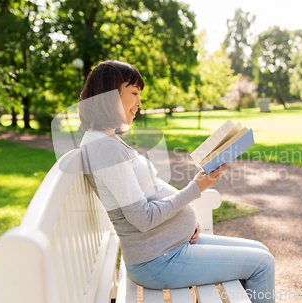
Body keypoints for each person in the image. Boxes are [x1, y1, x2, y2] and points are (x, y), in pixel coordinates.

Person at [78, 60, 275, 303]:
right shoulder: (105, 149)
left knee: (261, 251)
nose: (139, 103)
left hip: (167, 246)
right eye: (134, 93)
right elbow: (143, 217)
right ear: (110, 95)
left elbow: (149, 194)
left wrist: (185, 214)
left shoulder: (106, 141)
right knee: (263, 264)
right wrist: (196, 189)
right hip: (157, 260)